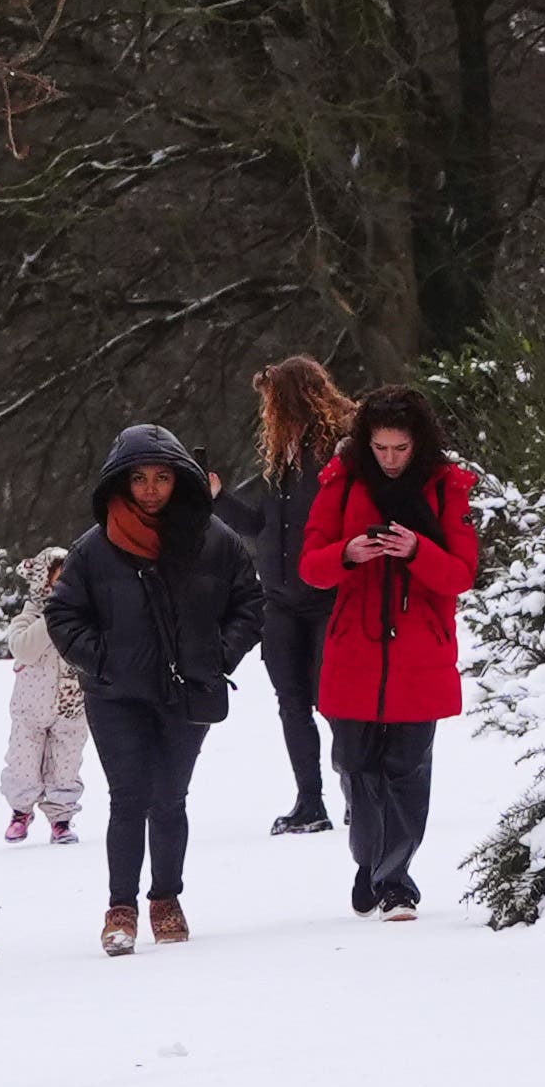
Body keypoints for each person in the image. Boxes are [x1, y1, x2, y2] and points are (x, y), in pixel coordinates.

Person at [40, 421, 267, 954]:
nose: (149, 489)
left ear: (179, 478)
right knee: (129, 798)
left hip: (190, 690)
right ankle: (120, 908)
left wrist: (217, 655)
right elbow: (64, 613)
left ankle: (166, 898)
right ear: (119, 482)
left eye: (161, 477)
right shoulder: (95, 548)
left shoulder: (215, 540)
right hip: (116, 695)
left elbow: (250, 606)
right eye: (138, 477)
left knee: (169, 798)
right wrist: (104, 661)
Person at [296, 383, 480, 920]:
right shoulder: (341, 482)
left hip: (421, 648)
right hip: (354, 646)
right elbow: (310, 566)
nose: (392, 459)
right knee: (355, 764)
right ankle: (370, 861)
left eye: (401, 448)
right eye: (381, 448)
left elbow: (461, 575)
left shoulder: (448, 487)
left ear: (418, 442)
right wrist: (349, 553)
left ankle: (395, 879)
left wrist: (418, 550)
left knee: (406, 768)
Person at [218, 357, 352, 837]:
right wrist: (218, 495)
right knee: (291, 701)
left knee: (331, 700)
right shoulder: (281, 456)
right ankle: (310, 801)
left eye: (273, 400)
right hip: (279, 598)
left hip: (327, 595)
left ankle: (357, 788)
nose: (268, 412)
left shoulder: (341, 453)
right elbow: (258, 527)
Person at [0, 545, 86, 845]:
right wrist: (53, 616)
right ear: (42, 583)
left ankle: (61, 818)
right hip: (30, 708)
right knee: (23, 761)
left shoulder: (83, 616)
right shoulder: (29, 617)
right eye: (56, 581)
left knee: (66, 763)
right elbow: (23, 649)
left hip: (71, 707)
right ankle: (20, 811)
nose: (62, 588)